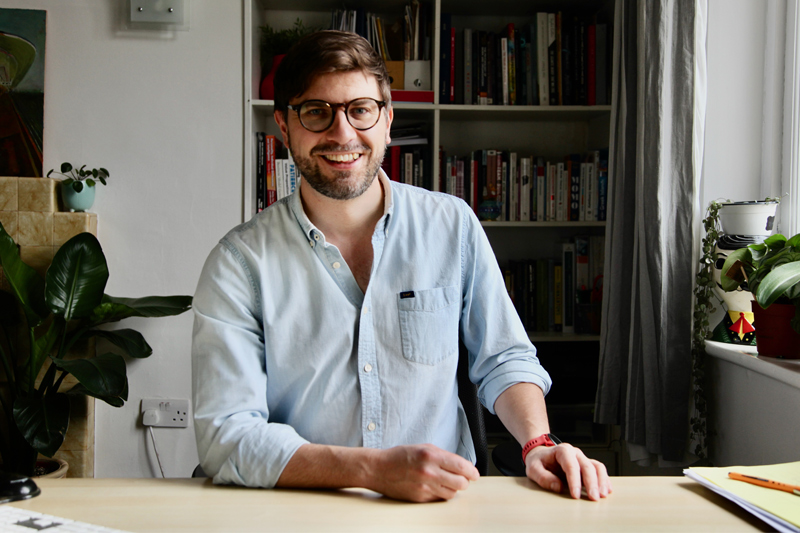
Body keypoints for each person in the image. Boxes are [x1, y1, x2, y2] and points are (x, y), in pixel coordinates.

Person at [192, 30, 611, 503]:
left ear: (387, 120)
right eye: (316, 111)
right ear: (284, 128)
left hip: (443, 509)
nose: (343, 133)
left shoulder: (451, 226)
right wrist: (372, 471)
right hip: (302, 509)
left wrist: (538, 443)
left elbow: (503, 357)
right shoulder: (238, 264)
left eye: (361, 109)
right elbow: (226, 436)